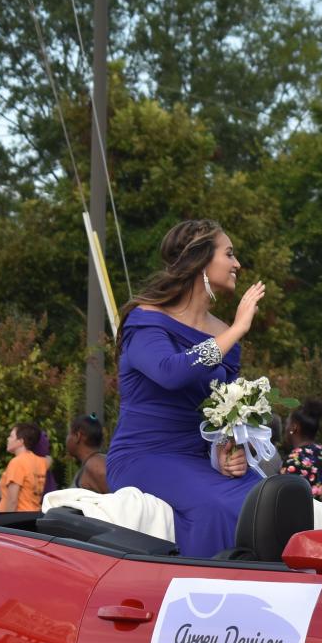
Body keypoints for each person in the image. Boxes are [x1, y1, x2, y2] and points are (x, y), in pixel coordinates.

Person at [105, 219, 266, 558]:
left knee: (264, 498)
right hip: (143, 456)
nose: (237, 264)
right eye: (230, 254)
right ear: (201, 260)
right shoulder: (145, 319)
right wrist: (236, 330)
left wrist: (223, 450)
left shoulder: (223, 334)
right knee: (218, 506)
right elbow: (169, 373)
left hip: (197, 459)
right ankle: (206, 597)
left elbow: (221, 412)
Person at [281, 400, 322, 507]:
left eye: (287, 424)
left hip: (305, 522)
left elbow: (284, 503)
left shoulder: (293, 461)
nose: (285, 429)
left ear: (294, 427)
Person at [0, 423, 50, 512]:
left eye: (11, 436)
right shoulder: (41, 462)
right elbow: (49, 459)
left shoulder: (17, 462)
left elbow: (12, 501)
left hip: (17, 518)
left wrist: (6, 523)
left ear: (21, 441)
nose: (8, 439)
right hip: (32, 516)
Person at [67, 414, 109, 494]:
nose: (67, 439)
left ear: (77, 436)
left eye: (69, 433)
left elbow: (121, 501)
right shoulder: (92, 463)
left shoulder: (95, 466)